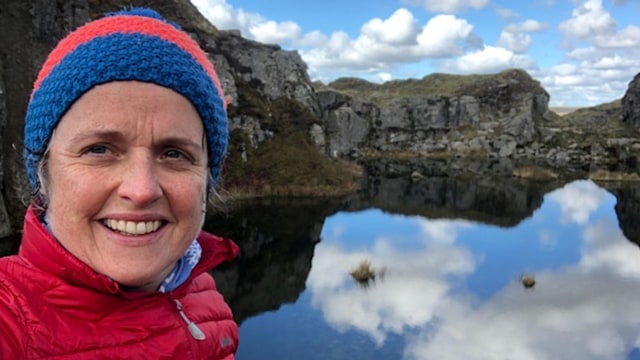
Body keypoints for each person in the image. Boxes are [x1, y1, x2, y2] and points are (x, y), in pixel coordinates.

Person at [0, 7, 239, 359]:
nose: (141, 190)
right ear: (43, 172)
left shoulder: (200, 290)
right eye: (99, 149)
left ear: (206, 177)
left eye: (174, 154)